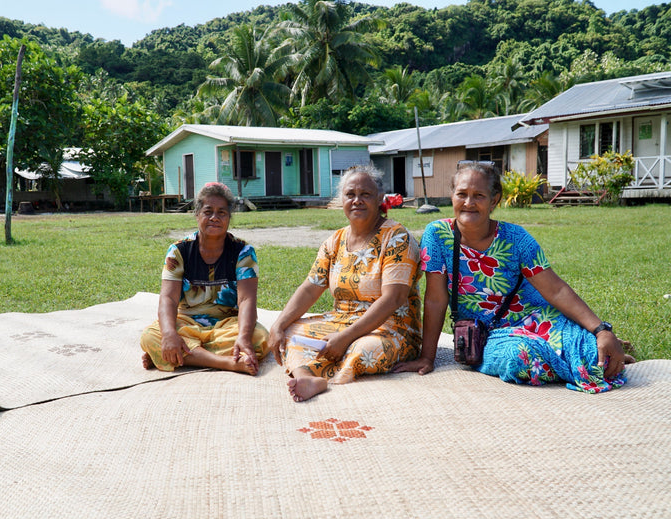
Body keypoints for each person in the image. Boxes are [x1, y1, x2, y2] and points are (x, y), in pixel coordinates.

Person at [394, 161, 633, 392]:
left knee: (597, 358)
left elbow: (556, 289)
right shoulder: (437, 235)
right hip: (488, 336)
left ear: (494, 200)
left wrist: (601, 329)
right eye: (462, 194)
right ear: (452, 197)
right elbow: (435, 299)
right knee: (518, 358)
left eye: (479, 196)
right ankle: (572, 358)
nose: (469, 202)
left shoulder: (517, 238)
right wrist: (428, 357)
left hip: (537, 319)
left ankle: (586, 346)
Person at [268, 165, 422, 402]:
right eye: (350, 194)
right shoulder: (335, 241)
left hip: (392, 328)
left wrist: (345, 337)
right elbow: (310, 287)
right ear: (341, 200)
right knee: (290, 332)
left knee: (362, 350)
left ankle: (324, 366)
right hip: (341, 321)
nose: (357, 200)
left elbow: (393, 299)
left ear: (380, 198)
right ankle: (306, 377)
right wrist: (278, 324)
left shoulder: (397, 238)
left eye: (365, 194)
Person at [139, 182, 269, 375]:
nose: (214, 218)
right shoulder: (179, 250)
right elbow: (168, 299)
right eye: (208, 211)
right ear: (197, 214)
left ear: (229, 217)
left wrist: (243, 336)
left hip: (227, 324)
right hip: (186, 323)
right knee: (151, 336)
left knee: (260, 338)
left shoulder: (243, 251)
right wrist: (168, 334)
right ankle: (228, 363)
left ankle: (173, 355)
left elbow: (246, 300)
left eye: (222, 213)